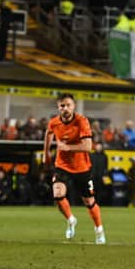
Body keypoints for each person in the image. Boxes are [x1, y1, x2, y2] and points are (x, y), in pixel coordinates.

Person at [43, 93, 106, 244]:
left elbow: (87, 146)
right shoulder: (54, 122)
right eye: (62, 105)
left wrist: (67, 147)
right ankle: (71, 220)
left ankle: (99, 230)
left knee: (89, 202)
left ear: (74, 106)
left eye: (68, 105)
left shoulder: (81, 121)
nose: (65, 108)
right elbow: (48, 133)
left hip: (82, 168)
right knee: (58, 194)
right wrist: (46, 154)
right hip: (62, 165)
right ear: (58, 107)